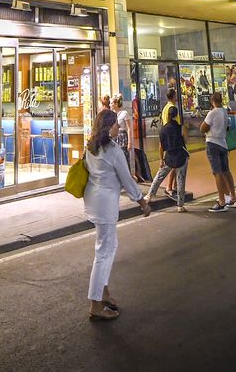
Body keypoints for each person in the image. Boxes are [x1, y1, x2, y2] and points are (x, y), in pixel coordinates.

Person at [82, 109, 150, 322]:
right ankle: (95, 304)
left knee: (105, 246)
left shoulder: (91, 147)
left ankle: (104, 293)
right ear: (108, 126)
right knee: (104, 252)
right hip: (105, 204)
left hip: (93, 200)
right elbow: (127, 180)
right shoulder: (113, 151)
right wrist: (142, 202)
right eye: (116, 125)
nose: (119, 128)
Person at [146, 103, 189, 211]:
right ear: (176, 115)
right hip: (181, 156)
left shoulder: (163, 129)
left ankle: (150, 195)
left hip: (169, 156)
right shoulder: (180, 127)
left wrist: (161, 159)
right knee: (180, 180)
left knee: (159, 176)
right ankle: (180, 205)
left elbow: (161, 146)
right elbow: (185, 140)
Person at [201, 92, 236, 212]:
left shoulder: (212, 113)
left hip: (212, 143)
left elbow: (202, 128)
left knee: (217, 172)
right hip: (223, 143)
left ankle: (221, 201)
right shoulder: (224, 112)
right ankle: (233, 197)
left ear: (212, 101)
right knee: (226, 171)